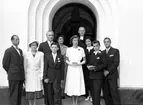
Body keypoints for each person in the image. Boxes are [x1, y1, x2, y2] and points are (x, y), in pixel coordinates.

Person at [38, 30, 60, 105]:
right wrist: (44, 76)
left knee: (56, 91)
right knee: (48, 91)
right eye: (49, 35)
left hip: (55, 72)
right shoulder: (42, 45)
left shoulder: (56, 45)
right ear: (46, 36)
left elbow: (58, 58)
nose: (51, 36)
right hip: (46, 69)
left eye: (52, 35)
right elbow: (39, 56)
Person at [2, 35, 25, 105]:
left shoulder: (20, 51)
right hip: (13, 76)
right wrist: (10, 71)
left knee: (19, 95)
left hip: (20, 76)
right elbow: (5, 64)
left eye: (18, 39)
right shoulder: (8, 51)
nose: (18, 41)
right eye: (16, 39)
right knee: (13, 95)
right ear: (12, 41)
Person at [65, 35, 86, 105]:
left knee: (77, 84)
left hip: (78, 68)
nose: (75, 42)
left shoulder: (81, 49)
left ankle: (76, 102)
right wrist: (71, 63)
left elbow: (84, 60)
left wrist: (79, 63)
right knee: (72, 84)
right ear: (72, 41)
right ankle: (73, 102)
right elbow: (66, 60)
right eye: (74, 40)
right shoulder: (68, 49)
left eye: (77, 40)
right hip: (71, 69)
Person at [24, 40, 44, 105]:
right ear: (30, 46)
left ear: (37, 46)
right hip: (29, 74)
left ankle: (35, 104)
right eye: (32, 45)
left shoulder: (41, 54)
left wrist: (41, 75)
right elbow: (25, 66)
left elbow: (42, 65)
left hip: (37, 74)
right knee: (30, 90)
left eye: (35, 45)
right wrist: (24, 76)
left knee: (35, 90)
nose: (34, 46)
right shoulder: (26, 54)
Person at [102, 37, 121, 105]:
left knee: (114, 92)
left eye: (108, 41)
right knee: (106, 93)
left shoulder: (115, 51)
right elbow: (101, 63)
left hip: (112, 75)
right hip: (104, 76)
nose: (106, 43)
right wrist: (104, 71)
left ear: (110, 42)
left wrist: (108, 71)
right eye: (105, 42)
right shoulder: (102, 52)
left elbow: (116, 63)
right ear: (104, 43)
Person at [87, 40, 106, 105]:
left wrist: (95, 68)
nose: (95, 47)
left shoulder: (102, 54)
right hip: (91, 76)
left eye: (97, 46)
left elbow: (104, 64)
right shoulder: (91, 54)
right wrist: (88, 66)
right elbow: (89, 63)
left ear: (99, 46)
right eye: (94, 46)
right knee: (92, 93)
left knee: (97, 93)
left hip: (98, 76)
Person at [84, 37, 93, 101]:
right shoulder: (84, 50)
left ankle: (92, 96)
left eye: (89, 41)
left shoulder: (94, 48)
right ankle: (88, 95)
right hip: (86, 69)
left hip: (93, 69)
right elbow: (82, 59)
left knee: (92, 83)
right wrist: (86, 65)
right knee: (87, 82)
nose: (88, 43)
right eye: (86, 41)